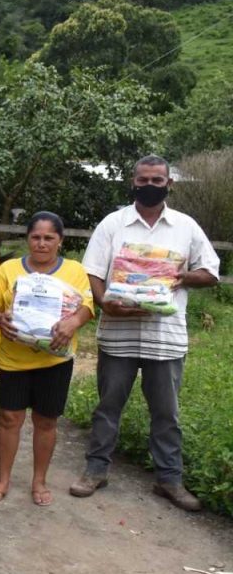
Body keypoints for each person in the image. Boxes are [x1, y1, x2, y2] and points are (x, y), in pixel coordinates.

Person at [70, 154, 220, 511]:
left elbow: (211, 273)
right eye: (144, 180)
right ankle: (96, 470)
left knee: (166, 414)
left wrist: (177, 275)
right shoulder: (113, 224)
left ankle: (169, 480)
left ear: (169, 184)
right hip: (118, 335)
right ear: (133, 182)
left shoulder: (186, 226)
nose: (150, 186)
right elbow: (91, 270)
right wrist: (104, 301)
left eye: (157, 180)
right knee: (108, 408)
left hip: (166, 338)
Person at [0, 212, 94, 507]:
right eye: (35, 237)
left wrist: (73, 323)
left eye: (48, 238)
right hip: (14, 359)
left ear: (60, 241)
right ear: (27, 238)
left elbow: (87, 305)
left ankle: (39, 480)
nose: (41, 243)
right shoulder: (9, 269)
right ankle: (3, 479)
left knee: (46, 421)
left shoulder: (74, 270)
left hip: (54, 362)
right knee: (9, 419)